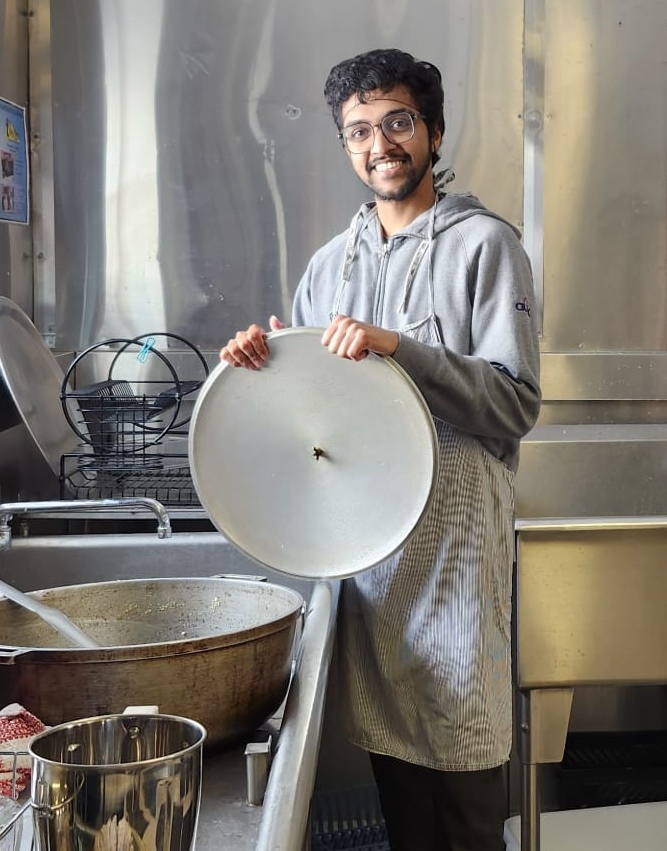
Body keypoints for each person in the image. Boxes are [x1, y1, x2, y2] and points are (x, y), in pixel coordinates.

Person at [219, 48, 540, 851]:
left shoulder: (483, 247)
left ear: (431, 131)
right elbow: (307, 423)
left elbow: (514, 402)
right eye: (358, 130)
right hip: (368, 555)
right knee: (396, 774)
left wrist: (399, 347)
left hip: (457, 553)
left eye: (397, 121)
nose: (379, 144)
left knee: (464, 770)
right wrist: (257, 369)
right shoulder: (330, 267)